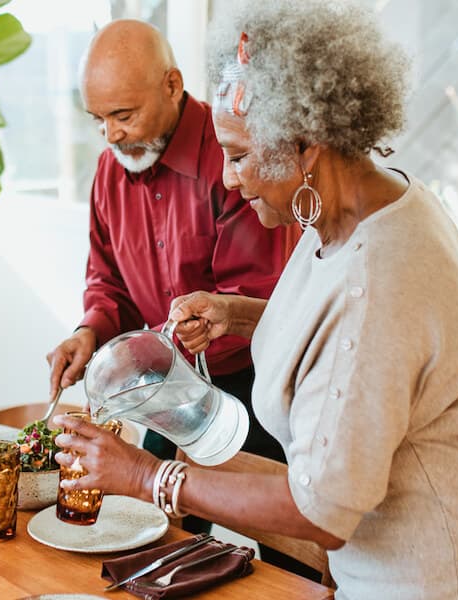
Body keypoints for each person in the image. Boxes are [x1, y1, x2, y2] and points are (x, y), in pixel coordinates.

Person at [52, 2, 458, 598]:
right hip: (407, 527)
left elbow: (321, 513)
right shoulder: (355, 207)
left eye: (238, 157)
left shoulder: (381, 270)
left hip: (443, 556)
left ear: (306, 144)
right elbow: (337, 329)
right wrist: (235, 311)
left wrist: (145, 474)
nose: (230, 179)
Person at [43, 19, 312, 575]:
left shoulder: (237, 157)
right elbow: (107, 279)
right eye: (98, 120)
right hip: (163, 390)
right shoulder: (108, 172)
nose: (111, 136)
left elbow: (259, 293)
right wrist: (88, 331)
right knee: (155, 547)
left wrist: (210, 320)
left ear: (172, 85)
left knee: (292, 560)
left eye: (124, 115)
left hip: (255, 387)